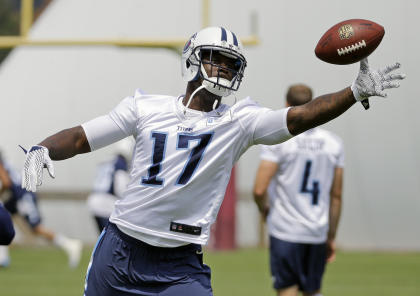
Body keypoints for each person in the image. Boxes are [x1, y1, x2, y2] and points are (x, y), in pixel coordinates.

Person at [19, 27, 404, 296]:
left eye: (230, 63)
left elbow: (303, 116)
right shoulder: (145, 107)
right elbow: (82, 136)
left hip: (180, 263)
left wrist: (353, 91)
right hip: (121, 249)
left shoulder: (240, 121)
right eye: (214, 59)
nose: (223, 68)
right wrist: (43, 149)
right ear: (192, 60)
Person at [253, 84, 343, 296]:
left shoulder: (279, 140)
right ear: (313, 105)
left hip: (285, 230)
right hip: (317, 231)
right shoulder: (333, 143)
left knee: (287, 290)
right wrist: (330, 235)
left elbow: (259, 190)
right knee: (313, 291)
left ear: (286, 105)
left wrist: (264, 210)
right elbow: (336, 195)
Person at [0, 153, 82, 268]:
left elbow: (6, 182)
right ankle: (2, 258)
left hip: (22, 195)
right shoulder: (6, 162)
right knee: (2, 220)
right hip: (17, 195)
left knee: (36, 228)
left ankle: (69, 244)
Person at [87, 138, 132, 233]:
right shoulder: (120, 164)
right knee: (112, 237)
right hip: (107, 204)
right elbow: (121, 189)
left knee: (102, 236)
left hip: (93, 201)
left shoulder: (106, 160)